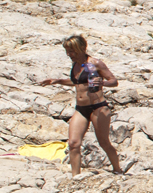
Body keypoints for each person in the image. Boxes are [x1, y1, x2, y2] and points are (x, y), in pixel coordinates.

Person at [38, 34, 124, 177]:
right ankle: (76, 177)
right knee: (73, 143)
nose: (70, 54)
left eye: (73, 51)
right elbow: (77, 82)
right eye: (68, 51)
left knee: (104, 142)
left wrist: (102, 83)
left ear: (83, 48)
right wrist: (58, 81)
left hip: (98, 108)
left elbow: (113, 81)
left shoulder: (96, 63)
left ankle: (117, 170)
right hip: (81, 109)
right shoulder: (76, 65)